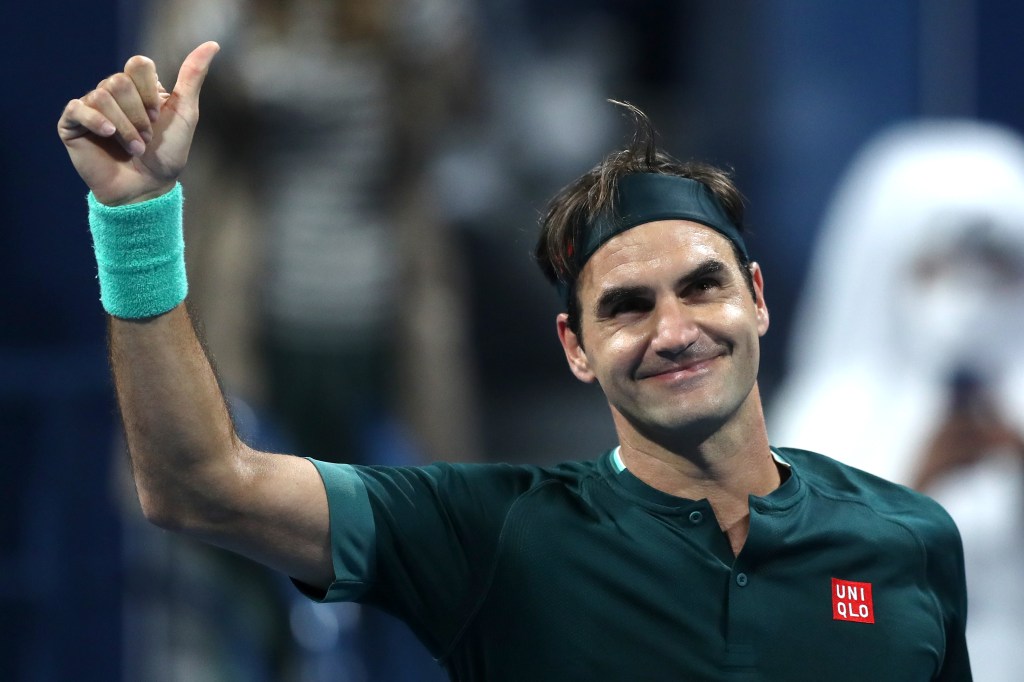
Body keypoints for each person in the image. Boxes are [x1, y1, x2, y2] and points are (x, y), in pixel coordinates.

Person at [58, 43, 971, 680]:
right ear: (576, 349)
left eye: (702, 287)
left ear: (759, 299)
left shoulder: (910, 542)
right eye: (627, 307)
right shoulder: (498, 536)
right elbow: (199, 485)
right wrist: (137, 219)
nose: (674, 329)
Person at [770, 120, 1024, 682]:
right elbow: (799, 596)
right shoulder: (828, 419)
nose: (970, 298)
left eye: (996, 268)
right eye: (938, 268)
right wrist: (915, 489)